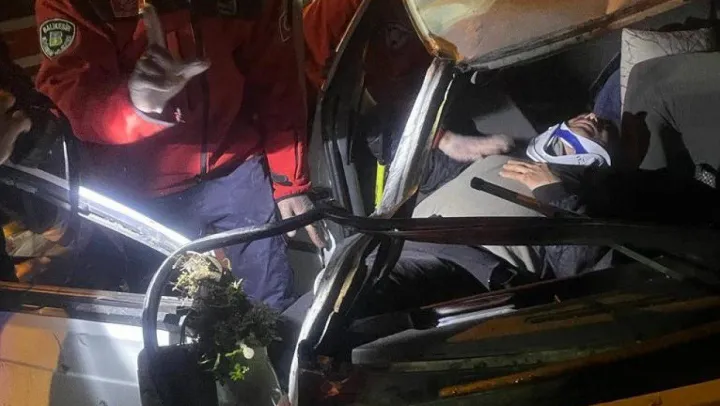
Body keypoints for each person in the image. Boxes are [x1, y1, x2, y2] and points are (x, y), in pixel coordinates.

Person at [35, 0, 324, 310]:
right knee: (167, 317)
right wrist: (135, 105)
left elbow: (277, 79)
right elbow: (69, 92)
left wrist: (289, 181)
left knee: (271, 307)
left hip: (237, 168)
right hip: (139, 188)